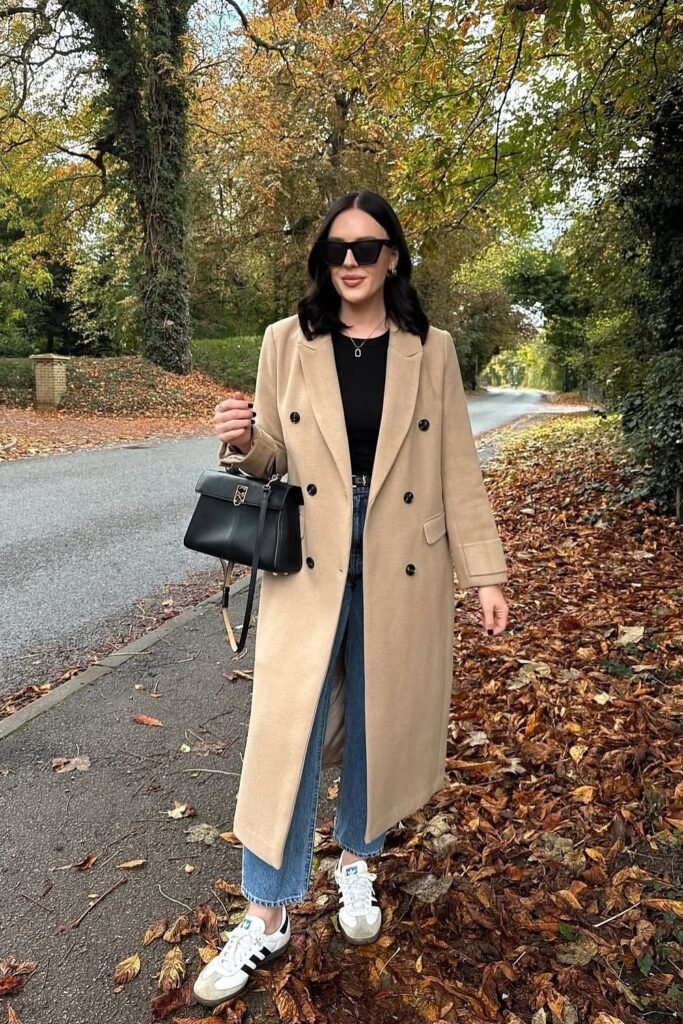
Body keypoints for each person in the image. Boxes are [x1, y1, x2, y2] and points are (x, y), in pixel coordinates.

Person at [193, 191, 509, 1008]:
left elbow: (457, 471)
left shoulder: (429, 349)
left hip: (407, 562)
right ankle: (265, 913)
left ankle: (356, 865)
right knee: (286, 741)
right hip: (309, 564)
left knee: (380, 723)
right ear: (321, 261)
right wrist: (240, 439)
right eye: (337, 250)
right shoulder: (283, 342)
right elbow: (267, 462)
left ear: (393, 258)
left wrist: (485, 574)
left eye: (368, 248)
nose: (351, 263)